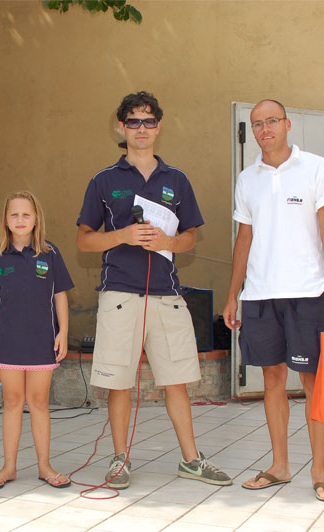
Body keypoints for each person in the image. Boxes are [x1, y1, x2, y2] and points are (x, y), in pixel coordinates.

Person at [76, 91, 231, 489]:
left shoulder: (176, 179)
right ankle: (119, 460)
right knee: (118, 382)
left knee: (175, 380)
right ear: (121, 127)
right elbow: (84, 241)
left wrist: (170, 243)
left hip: (166, 294)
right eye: (133, 122)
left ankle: (192, 460)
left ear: (159, 127)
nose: (141, 129)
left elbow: (192, 236)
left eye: (148, 121)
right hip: (120, 295)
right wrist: (123, 234)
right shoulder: (103, 180)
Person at [222, 99, 324, 503]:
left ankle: (319, 471)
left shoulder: (315, 167)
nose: (265, 129)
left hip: (307, 291)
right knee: (272, 380)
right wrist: (233, 295)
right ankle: (279, 465)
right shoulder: (248, 179)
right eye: (258, 123)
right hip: (261, 294)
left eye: (272, 121)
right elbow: (243, 240)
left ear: (288, 124)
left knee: (313, 381)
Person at [0, 191, 74, 489]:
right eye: (14, 214)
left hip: (42, 342)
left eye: (26, 214)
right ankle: (9, 467)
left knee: (39, 402)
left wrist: (63, 333)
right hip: (7, 342)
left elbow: (61, 296)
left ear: (36, 219)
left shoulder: (50, 253)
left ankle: (45, 466)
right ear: (5, 220)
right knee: (12, 402)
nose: (20, 220)